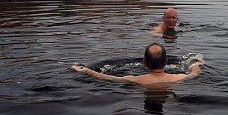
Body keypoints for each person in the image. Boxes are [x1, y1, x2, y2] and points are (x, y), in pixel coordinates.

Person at [71, 43, 202, 86]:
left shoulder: (135, 79)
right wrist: (196, 63)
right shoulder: (179, 78)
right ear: (166, 62)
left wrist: (84, 70)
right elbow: (195, 73)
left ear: (145, 63)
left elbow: (107, 77)